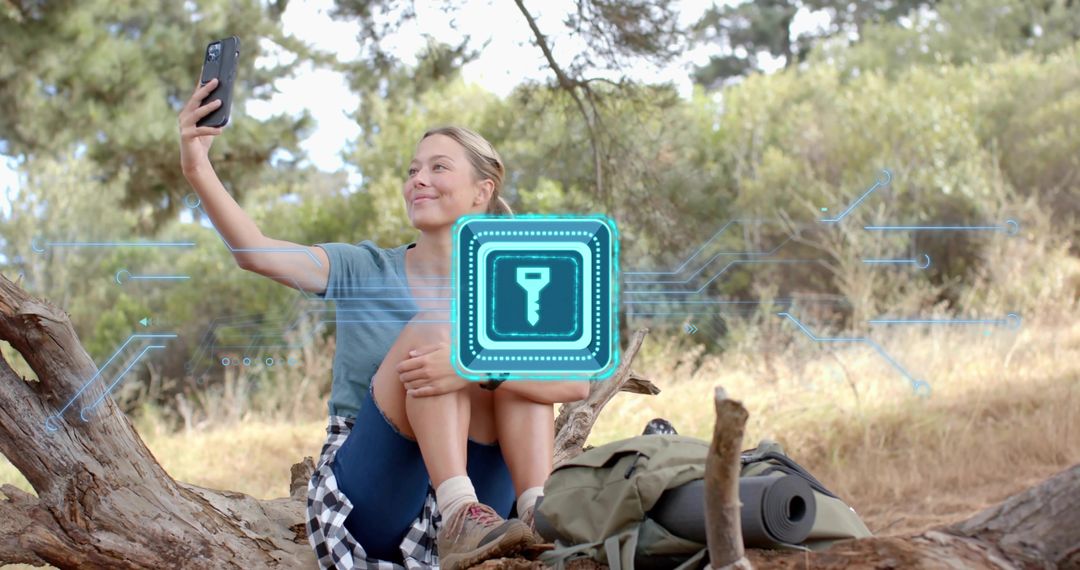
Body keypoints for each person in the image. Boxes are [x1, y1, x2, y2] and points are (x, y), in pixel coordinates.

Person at [178, 78, 590, 569]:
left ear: (484, 190)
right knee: (440, 326)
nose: (418, 178)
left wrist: (476, 368)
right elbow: (255, 252)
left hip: (492, 505)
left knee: (511, 366)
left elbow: (574, 381)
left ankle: (538, 515)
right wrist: (196, 165)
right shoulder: (364, 268)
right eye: (413, 169)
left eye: (438, 167)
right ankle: (457, 512)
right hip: (378, 493)